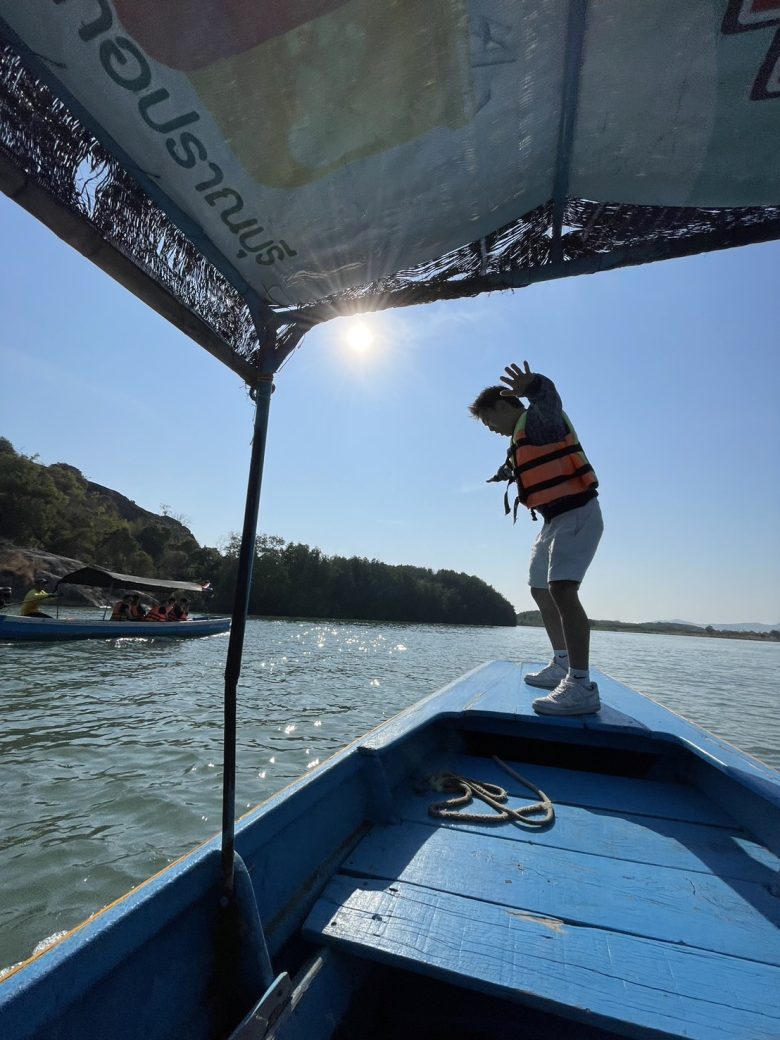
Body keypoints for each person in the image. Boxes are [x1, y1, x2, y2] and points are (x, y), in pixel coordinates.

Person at [469, 361, 603, 716]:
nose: (491, 429)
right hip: (553, 520)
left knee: (562, 589)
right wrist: (504, 473)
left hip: (578, 512)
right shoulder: (520, 438)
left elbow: (549, 401)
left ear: (503, 405)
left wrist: (534, 385)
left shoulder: (540, 420)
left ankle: (580, 683)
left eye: (489, 421)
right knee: (539, 587)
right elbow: (524, 463)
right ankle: (561, 662)